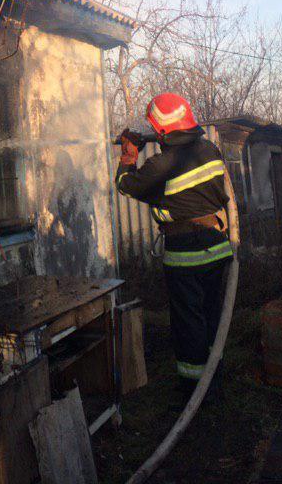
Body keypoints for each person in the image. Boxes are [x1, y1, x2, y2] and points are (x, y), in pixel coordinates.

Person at [116, 93, 233, 403]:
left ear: (163, 129)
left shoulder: (162, 165)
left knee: (188, 323)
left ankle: (195, 393)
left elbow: (127, 185)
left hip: (186, 252)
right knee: (211, 316)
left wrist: (129, 156)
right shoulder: (209, 149)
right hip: (218, 247)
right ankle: (214, 377)